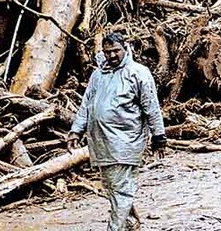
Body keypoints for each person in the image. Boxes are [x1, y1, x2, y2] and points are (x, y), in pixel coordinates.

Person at [68, 33, 166, 231]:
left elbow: (151, 106)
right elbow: (86, 105)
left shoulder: (138, 73)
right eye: (107, 52)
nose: (111, 56)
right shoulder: (98, 75)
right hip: (101, 142)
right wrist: (76, 131)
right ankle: (129, 222)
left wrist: (159, 136)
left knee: (120, 188)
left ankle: (116, 228)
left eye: (115, 51)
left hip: (126, 141)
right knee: (112, 187)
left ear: (126, 48)